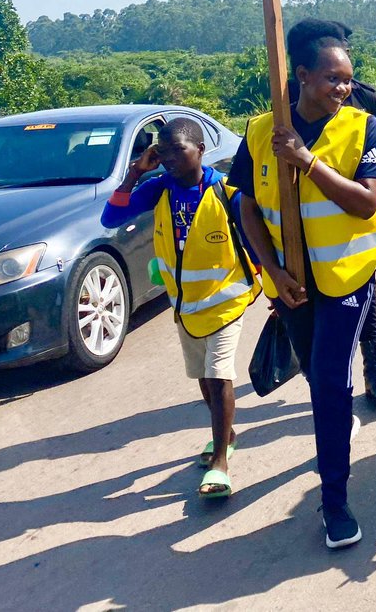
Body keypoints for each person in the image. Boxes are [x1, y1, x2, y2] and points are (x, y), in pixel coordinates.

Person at [230, 30, 376, 549]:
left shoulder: (361, 128)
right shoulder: (261, 131)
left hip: (346, 280)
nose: (342, 89)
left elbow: (367, 204)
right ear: (301, 76)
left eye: (347, 79)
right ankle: (336, 426)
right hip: (292, 287)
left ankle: (334, 503)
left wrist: (308, 162)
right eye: (331, 79)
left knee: (328, 382)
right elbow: (247, 206)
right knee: (318, 379)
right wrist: (271, 272)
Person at [101, 118, 260, 499]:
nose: (171, 158)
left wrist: (274, 292)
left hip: (227, 300)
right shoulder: (158, 189)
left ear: (201, 150)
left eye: (179, 150)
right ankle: (228, 434)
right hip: (186, 305)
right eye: (164, 152)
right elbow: (111, 216)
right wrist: (135, 172)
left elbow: (256, 241)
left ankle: (220, 461)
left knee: (219, 375)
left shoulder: (227, 191)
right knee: (204, 379)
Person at [286, 19, 376, 408]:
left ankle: (374, 372)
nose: (344, 76)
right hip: (300, 236)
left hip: (351, 231)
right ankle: (324, 387)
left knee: (366, 300)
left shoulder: (364, 100)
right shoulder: (286, 102)